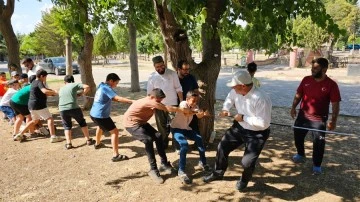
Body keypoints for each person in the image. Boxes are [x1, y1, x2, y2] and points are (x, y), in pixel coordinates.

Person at [203, 70, 272, 192]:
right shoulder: (236, 91)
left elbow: (264, 123)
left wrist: (244, 117)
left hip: (257, 134)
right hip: (239, 127)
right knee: (222, 147)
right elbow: (229, 99)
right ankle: (218, 173)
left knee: (247, 162)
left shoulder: (261, 98)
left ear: (243, 86)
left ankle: (244, 180)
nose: (233, 88)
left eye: (235, 86)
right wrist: (225, 109)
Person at [123, 88, 189, 184]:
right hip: (131, 124)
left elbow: (164, 107)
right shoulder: (149, 101)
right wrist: (182, 109)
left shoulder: (153, 101)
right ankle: (153, 169)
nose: (160, 102)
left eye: (161, 100)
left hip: (142, 122)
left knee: (158, 136)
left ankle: (164, 163)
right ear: (151, 97)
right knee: (148, 140)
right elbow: (167, 108)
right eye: (158, 100)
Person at [290, 58, 341, 175]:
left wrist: (333, 121)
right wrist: (293, 107)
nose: (312, 70)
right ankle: (301, 154)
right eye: (312, 68)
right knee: (297, 136)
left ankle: (317, 165)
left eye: (316, 68)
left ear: (324, 69)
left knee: (319, 143)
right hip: (303, 116)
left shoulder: (331, 85)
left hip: (319, 120)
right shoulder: (306, 80)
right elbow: (298, 95)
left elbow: (335, 105)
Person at [90, 73, 133, 162]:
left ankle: (97, 144)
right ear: (111, 81)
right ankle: (115, 155)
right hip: (101, 115)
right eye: (116, 83)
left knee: (100, 126)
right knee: (115, 132)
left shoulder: (101, 85)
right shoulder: (107, 88)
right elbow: (117, 98)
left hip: (93, 114)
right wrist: (132, 101)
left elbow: (112, 98)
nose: (116, 85)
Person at [170, 90, 210, 184]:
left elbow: (199, 117)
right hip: (176, 128)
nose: (195, 103)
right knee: (184, 145)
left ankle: (203, 162)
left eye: (197, 101)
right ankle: (181, 171)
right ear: (187, 99)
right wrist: (196, 112)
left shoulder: (195, 106)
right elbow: (186, 113)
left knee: (199, 139)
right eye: (193, 101)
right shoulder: (183, 103)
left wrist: (203, 114)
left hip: (186, 128)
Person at [13, 70, 64, 143]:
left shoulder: (33, 82)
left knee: (34, 121)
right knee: (49, 119)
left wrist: (52, 92)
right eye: (45, 77)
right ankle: (53, 136)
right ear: (41, 76)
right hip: (39, 105)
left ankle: (20, 134)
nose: (45, 79)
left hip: (31, 105)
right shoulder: (39, 82)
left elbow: (44, 91)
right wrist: (55, 92)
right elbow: (45, 91)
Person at [147, 55, 183, 149]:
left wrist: (182, 102)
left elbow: (178, 88)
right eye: (157, 67)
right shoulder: (152, 76)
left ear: (164, 63)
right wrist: (151, 105)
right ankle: (164, 142)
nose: (160, 68)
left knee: (175, 125)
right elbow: (149, 93)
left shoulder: (172, 73)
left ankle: (177, 144)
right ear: (154, 67)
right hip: (159, 105)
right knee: (161, 126)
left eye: (161, 66)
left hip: (172, 104)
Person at [59, 75, 95, 149]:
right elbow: (87, 87)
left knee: (67, 126)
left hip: (62, 109)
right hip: (73, 107)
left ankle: (68, 143)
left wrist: (77, 94)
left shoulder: (61, 88)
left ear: (64, 82)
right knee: (82, 123)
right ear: (73, 81)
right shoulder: (74, 84)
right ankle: (88, 140)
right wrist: (82, 94)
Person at [177, 60, 200, 134]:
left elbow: (196, 90)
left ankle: (197, 142)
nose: (187, 71)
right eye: (185, 69)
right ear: (179, 69)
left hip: (190, 105)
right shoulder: (174, 78)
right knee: (178, 126)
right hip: (177, 105)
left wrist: (195, 103)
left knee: (194, 124)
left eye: (188, 69)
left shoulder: (191, 77)